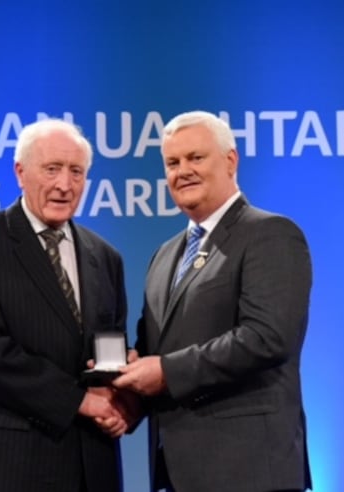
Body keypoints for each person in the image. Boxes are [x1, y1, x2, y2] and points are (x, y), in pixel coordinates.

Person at [113, 111, 313, 492]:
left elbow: (266, 338)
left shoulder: (270, 235)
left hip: (250, 470)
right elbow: (154, 348)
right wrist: (123, 374)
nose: (182, 171)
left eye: (195, 158)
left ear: (230, 161)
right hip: (178, 472)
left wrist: (167, 372)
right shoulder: (164, 255)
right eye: (172, 163)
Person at [0, 118, 132, 492]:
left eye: (76, 172)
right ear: (20, 172)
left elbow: (108, 349)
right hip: (10, 463)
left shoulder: (105, 256)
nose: (65, 185)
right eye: (52, 169)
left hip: (91, 465)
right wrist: (80, 401)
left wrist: (119, 398)